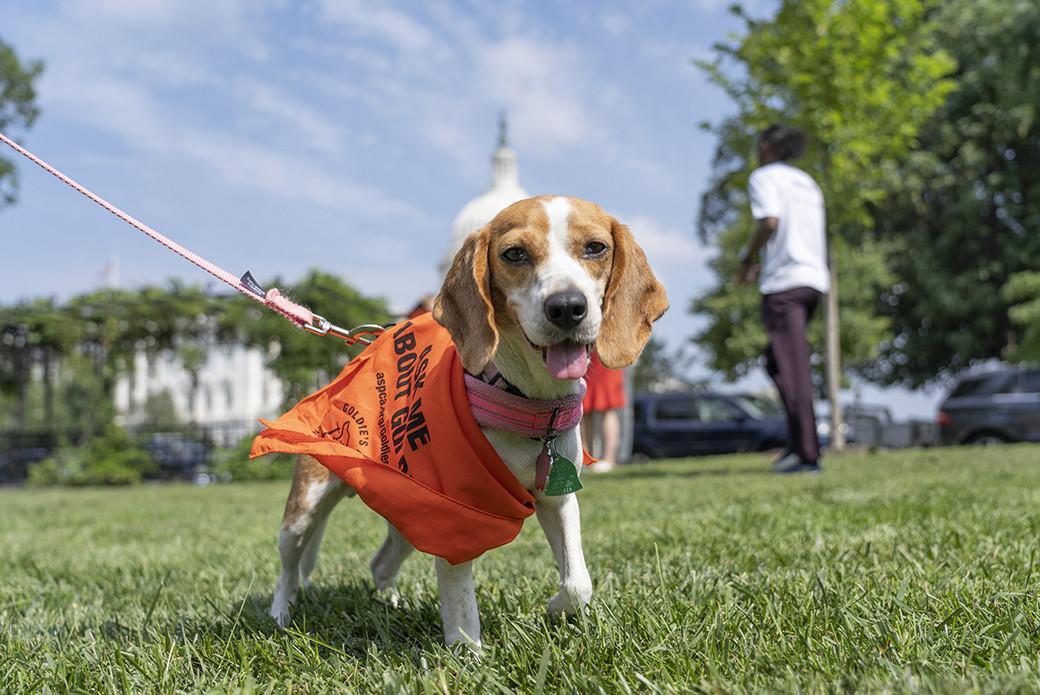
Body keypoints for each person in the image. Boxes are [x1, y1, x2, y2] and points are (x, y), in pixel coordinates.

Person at [734, 125, 829, 474]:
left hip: (785, 285)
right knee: (777, 362)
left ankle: (807, 455)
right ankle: (796, 445)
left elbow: (770, 221)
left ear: (766, 146)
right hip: (813, 281)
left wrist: (747, 260)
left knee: (794, 369)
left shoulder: (764, 177)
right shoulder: (807, 181)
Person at [581, 351, 626, 472]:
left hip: (605, 354)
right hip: (584, 355)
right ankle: (589, 459)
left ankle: (609, 460)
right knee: (584, 409)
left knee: (606, 406)